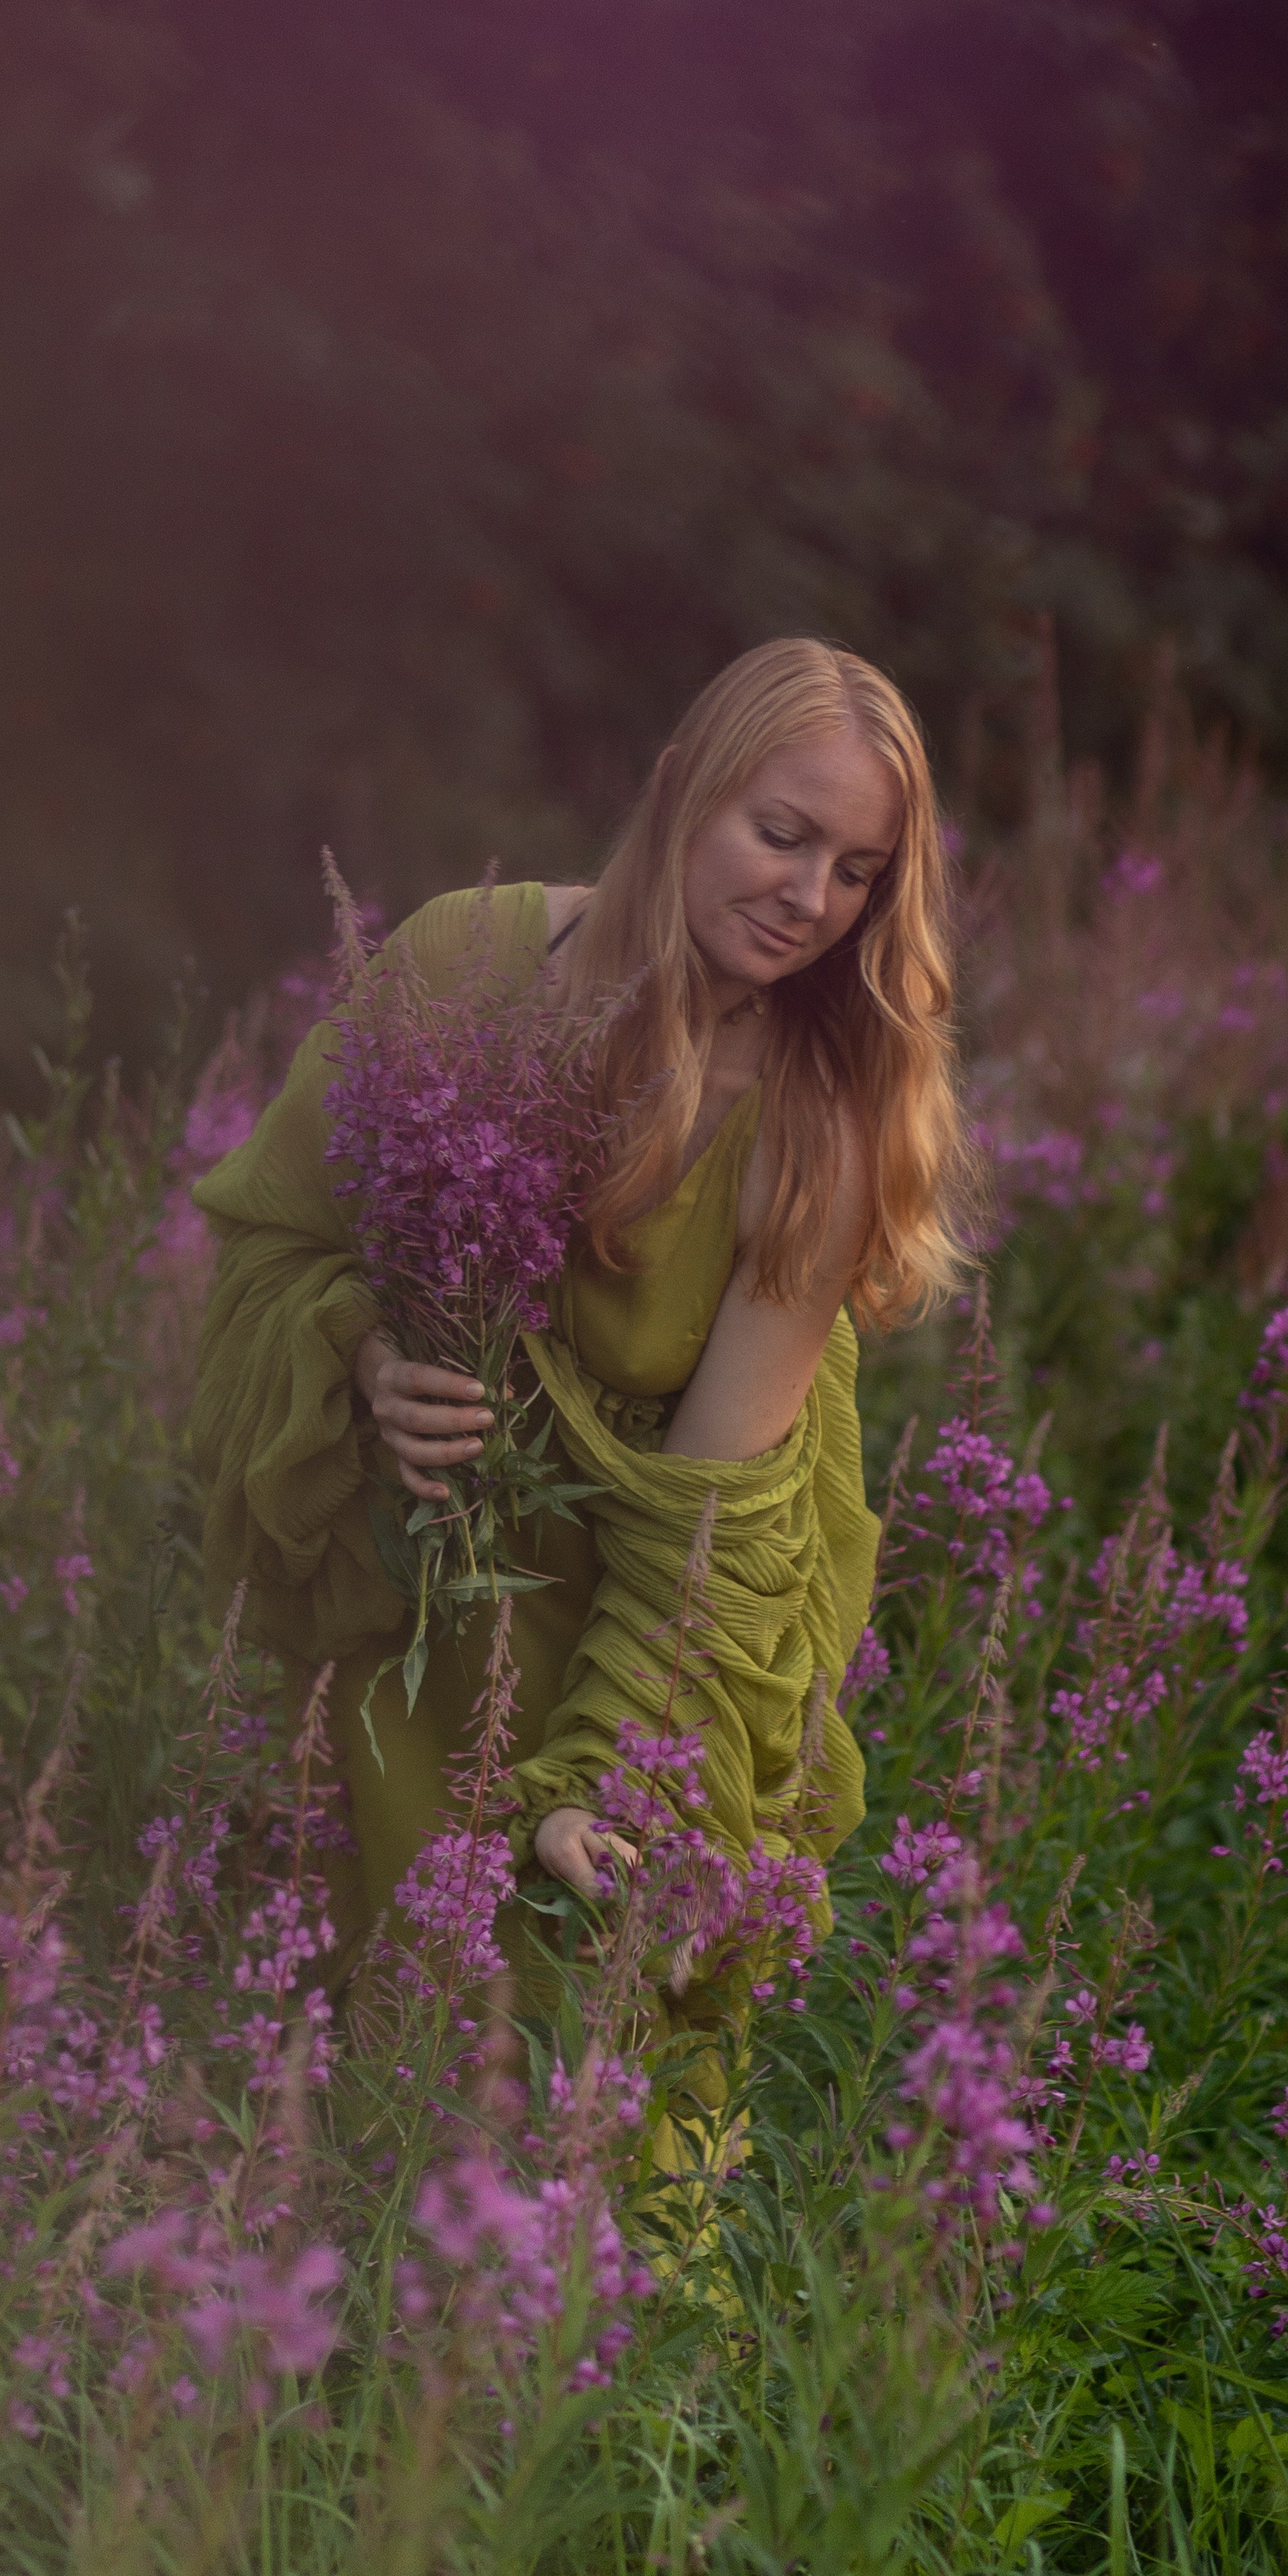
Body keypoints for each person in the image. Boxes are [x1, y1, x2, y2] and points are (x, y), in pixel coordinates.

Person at [190, 637, 969, 2010]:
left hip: (620, 1663)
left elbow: (713, 1520)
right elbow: (274, 1242)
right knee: (339, 2117)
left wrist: (602, 1784)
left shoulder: (818, 1124)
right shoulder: (464, 961)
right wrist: (364, 1359)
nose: (809, 900)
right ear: (679, 792)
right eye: (781, 835)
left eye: (858, 873)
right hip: (399, 1630)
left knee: (581, 2146)